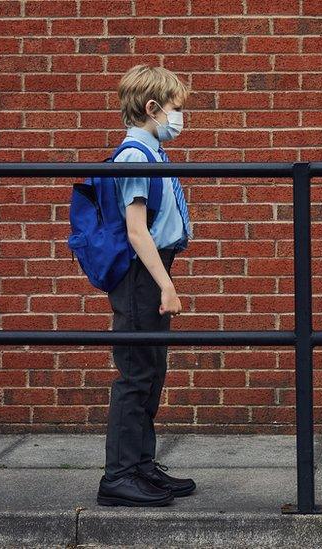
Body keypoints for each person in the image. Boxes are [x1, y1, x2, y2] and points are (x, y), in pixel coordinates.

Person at [97, 65, 195, 507]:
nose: (180, 118)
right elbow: (137, 231)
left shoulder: (152, 150)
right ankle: (118, 476)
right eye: (176, 109)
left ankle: (141, 466)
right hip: (143, 273)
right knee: (136, 375)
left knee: (151, 372)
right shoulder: (135, 154)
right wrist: (166, 287)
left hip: (153, 269)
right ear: (152, 108)